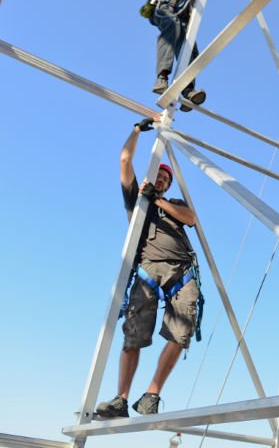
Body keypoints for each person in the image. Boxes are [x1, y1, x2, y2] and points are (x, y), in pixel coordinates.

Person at [95, 119, 201, 418]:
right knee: (134, 336)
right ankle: (121, 399)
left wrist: (161, 200)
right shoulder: (136, 200)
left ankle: (151, 394)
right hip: (147, 271)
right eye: (159, 176)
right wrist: (137, 131)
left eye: (167, 179)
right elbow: (125, 159)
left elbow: (191, 218)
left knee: (181, 334)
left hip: (180, 272)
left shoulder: (173, 204)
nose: (163, 180)